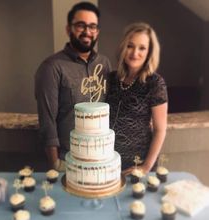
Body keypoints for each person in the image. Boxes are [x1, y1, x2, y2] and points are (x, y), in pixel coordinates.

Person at [35, 2, 111, 171]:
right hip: (68, 159)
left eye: (92, 26)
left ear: (97, 31)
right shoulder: (52, 67)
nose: (87, 32)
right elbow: (47, 120)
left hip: (102, 158)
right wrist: (55, 164)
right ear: (68, 29)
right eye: (80, 25)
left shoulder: (104, 64)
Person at [106, 22, 168, 176]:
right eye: (130, 46)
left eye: (142, 48)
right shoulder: (112, 78)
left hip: (137, 164)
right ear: (123, 47)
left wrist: (145, 167)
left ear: (149, 52)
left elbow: (160, 130)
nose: (135, 53)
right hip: (107, 161)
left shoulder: (155, 83)